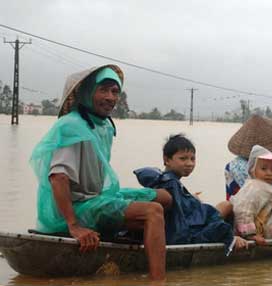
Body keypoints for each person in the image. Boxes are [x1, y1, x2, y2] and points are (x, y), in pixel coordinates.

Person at [30, 65, 170, 281]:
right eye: (103, 90)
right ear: (87, 93)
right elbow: (58, 178)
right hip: (75, 208)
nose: (110, 97)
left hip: (95, 199)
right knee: (154, 212)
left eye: (115, 92)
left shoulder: (102, 125)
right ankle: (158, 281)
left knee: (164, 197)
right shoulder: (72, 126)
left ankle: (136, 239)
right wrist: (74, 226)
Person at [133, 134, 247, 254]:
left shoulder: (168, 181)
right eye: (183, 159)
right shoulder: (170, 183)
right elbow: (184, 223)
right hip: (182, 237)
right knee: (222, 226)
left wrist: (193, 201)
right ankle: (232, 240)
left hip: (178, 231)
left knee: (225, 206)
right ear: (167, 160)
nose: (189, 164)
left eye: (192, 159)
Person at [232, 145, 272, 245]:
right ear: (253, 169)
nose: (269, 173)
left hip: (262, 226)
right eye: (263, 168)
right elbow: (244, 210)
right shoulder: (255, 188)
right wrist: (250, 235)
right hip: (252, 232)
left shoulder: (263, 187)